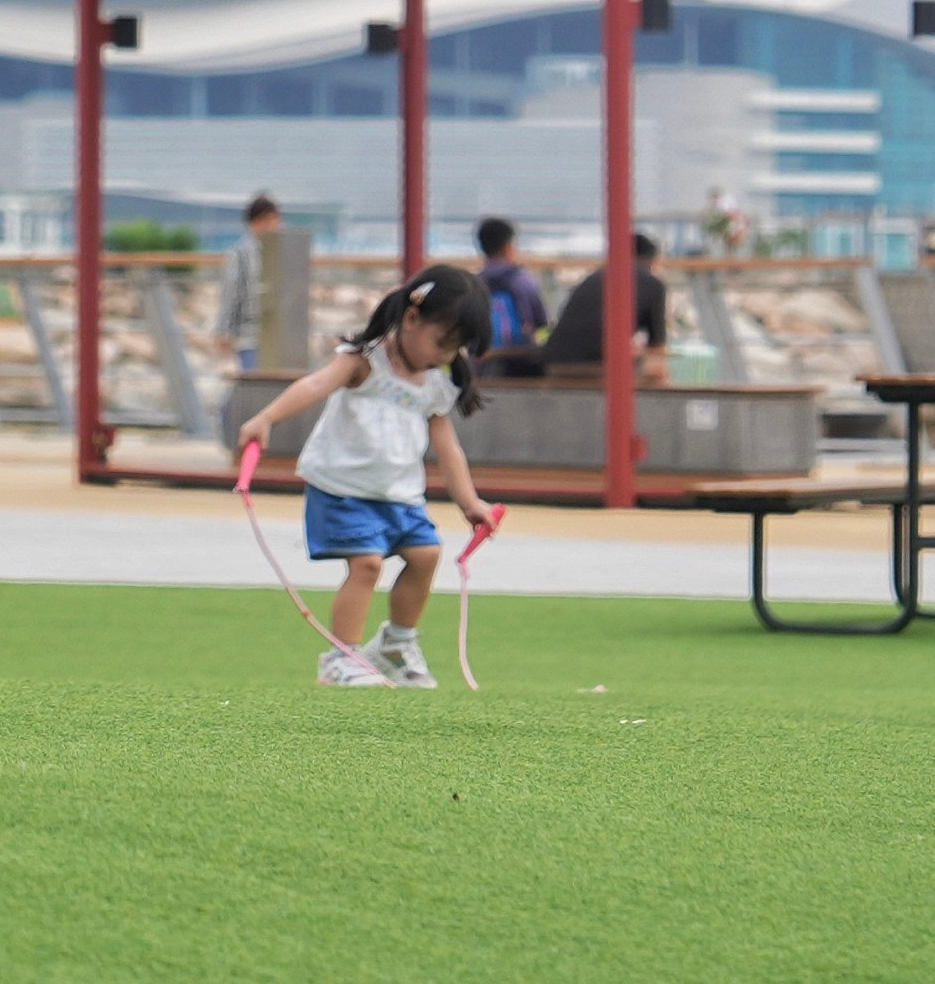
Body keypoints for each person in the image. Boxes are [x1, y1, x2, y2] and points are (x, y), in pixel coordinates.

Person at [229, 263, 499, 688]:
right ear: (411, 318)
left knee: (427, 554)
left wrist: (470, 503)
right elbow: (315, 385)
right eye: (442, 342)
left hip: (400, 495)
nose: (445, 357)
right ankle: (342, 659)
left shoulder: (434, 384)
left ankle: (396, 644)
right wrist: (266, 418)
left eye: (456, 348)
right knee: (367, 564)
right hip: (344, 490)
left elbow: (449, 450)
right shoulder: (365, 361)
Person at [506, 232, 666, 382]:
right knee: (653, 371)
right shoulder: (653, 284)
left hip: (552, 363)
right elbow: (657, 347)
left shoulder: (595, 277)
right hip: (598, 366)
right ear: (651, 261)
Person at [217, 194, 285, 368]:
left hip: (276, 334)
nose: (277, 224)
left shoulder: (278, 250)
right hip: (250, 336)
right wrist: (225, 331)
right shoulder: (240, 254)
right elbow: (230, 293)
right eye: (273, 219)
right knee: (254, 382)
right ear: (259, 221)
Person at [474, 216, 550, 351]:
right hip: (520, 359)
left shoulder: (475, 283)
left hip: (483, 361)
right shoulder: (521, 279)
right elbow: (541, 321)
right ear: (508, 246)